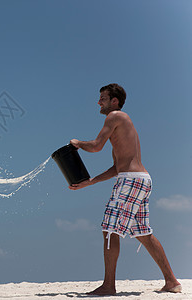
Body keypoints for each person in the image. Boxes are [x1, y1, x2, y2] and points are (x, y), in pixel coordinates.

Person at [69, 83, 181, 295]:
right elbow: (116, 168)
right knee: (143, 233)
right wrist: (89, 181)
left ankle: (109, 286)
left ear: (114, 101)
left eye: (103, 98)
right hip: (141, 179)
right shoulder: (123, 126)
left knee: (110, 229)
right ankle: (172, 282)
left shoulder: (115, 117)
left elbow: (95, 146)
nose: (98, 101)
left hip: (131, 180)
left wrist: (77, 143)